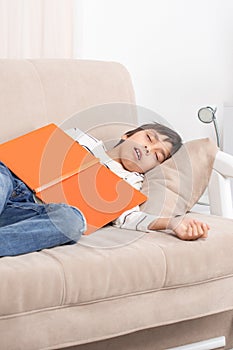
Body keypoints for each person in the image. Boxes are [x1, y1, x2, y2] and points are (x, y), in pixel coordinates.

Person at [0, 122, 209, 257]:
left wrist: (173, 222)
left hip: (28, 214)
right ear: (127, 135)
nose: (148, 149)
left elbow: (132, 219)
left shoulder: (130, 186)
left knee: (72, 221)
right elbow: (37, 147)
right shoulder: (81, 139)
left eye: (157, 155)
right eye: (149, 139)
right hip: (11, 180)